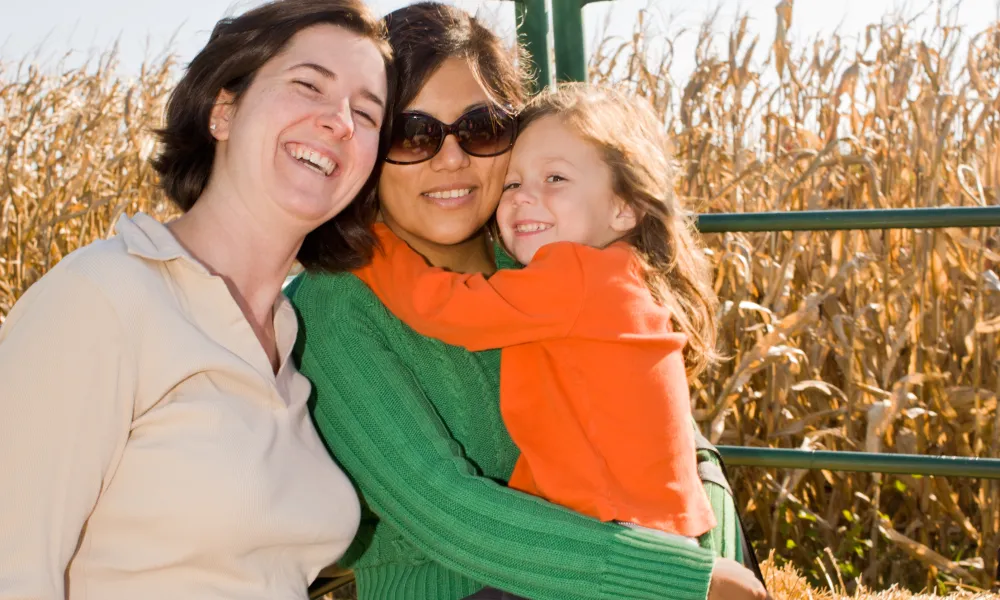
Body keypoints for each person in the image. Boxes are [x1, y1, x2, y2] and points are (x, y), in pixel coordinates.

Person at [288, 3, 768, 599]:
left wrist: (714, 553)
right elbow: (447, 510)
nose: (453, 158)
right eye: (415, 135)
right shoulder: (336, 304)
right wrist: (681, 580)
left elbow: (680, 440)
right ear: (368, 150)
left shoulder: (552, 259)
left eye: (481, 127)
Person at [0, 1, 392, 598]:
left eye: (366, 113)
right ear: (223, 111)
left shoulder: (290, 338)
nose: (339, 120)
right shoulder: (103, 298)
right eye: (308, 85)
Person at [354, 82, 718, 541]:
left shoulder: (576, 276)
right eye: (512, 183)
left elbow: (446, 307)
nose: (524, 197)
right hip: (655, 524)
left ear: (625, 208)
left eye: (555, 179)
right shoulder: (622, 274)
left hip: (615, 532)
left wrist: (371, 241)